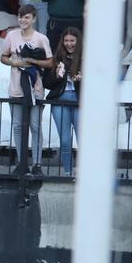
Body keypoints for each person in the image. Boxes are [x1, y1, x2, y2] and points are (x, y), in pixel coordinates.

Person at [0, 4, 54, 175]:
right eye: (20, 16)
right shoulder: (11, 35)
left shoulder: (41, 38)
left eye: (27, 17)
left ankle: (37, 163)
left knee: (35, 126)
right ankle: (22, 162)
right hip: (16, 87)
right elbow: (3, 57)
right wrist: (15, 63)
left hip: (35, 88)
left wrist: (32, 61)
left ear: (34, 19)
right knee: (17, 126)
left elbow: (50, 62)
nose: (23, 20)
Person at [44, 27, 82, 175]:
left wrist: (81, 80)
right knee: (65, 141)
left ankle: (85, 174)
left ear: (78, 42)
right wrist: (57, 76)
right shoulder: (56, 58)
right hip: (60, 100)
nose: (69, 44)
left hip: (79, 101)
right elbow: (47, 83)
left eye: (72, 40)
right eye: (66, 41)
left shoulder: (86, 58)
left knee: (82, 139)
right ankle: (68, 172)